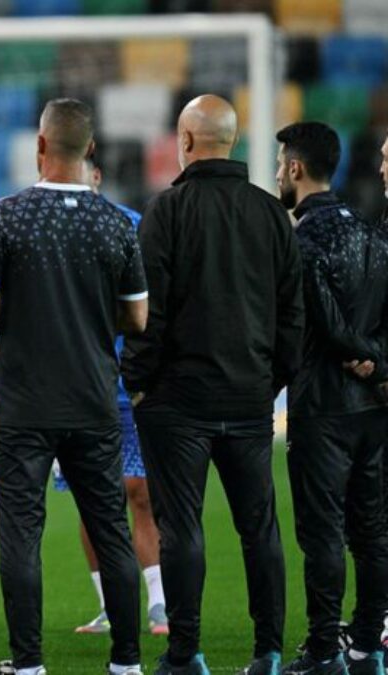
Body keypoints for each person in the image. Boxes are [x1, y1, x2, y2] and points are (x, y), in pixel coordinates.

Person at [0, 98, 146, 675]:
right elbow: (138, 320)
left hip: (23, 404)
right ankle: (128, 664)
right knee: (111, 530)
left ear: (40, 146)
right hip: (92, 399)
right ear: (90, 149)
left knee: (21, 533)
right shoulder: (116, 221)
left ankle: (31, 663)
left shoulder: (8, 215)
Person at [120, 94, 303, 675]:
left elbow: (151, 313)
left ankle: (185, 653)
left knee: (182, 528)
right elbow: (291, 313)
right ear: (233, 140)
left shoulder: (166, 211)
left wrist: (138, 382)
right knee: (261, 530)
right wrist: (272, 379)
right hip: (249, 397)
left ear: (186, 140)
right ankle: (268, 651)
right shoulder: (272, 213)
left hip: (177, 400)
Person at [274, 122, 388, 675]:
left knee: (322, 534)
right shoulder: (370, 232)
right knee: (371, 532)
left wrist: (356, 351)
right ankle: (367, 645)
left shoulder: (302, 241)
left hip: (322, 409)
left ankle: (324, 650)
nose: (277, 173)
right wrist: (378, 361)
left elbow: (321, 322)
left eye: (280, 165)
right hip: (373, 408)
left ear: (295, 168)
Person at [52, 151, 167, 637]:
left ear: (96, 176)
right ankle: (107, 606)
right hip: (73, 390)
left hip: (125, 385)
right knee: (91, 501)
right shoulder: (47, 230)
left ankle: (159, 603)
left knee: (139, 492)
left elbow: (151, 308)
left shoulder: (132, 226)